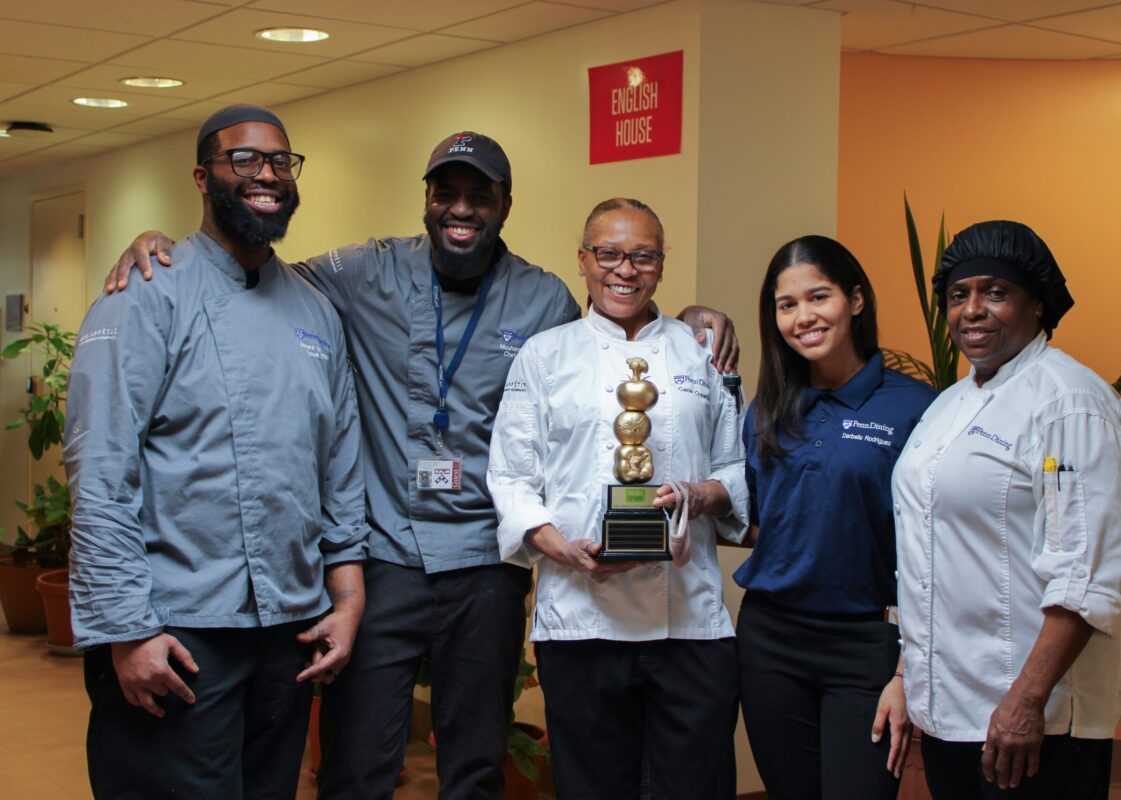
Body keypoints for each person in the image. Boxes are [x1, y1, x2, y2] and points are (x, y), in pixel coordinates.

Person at [106, 134, 739, 800]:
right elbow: (259, 266)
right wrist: (168, 245)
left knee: (473, 764)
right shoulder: (360, 272)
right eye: (447, 193)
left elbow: (614, 343)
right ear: (428, 200)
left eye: (480, 195)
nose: (461, 209)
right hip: (385, 561)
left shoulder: (542, 297)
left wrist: (693, 321)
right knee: (359, 762)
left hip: (486, 567)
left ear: (505, 205)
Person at [65, 104, 367, 799]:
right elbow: (101, 467)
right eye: (244, 160)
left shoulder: (315, 311)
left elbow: (340, 473)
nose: (266, 175)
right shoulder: (146, 292)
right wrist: (126, 630)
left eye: (280, 162)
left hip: (287, 632)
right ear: (203, 178)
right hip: (175, 632)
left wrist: (345, 601)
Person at [487, 197, 748, 800]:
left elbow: (735, 468)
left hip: (689, 620)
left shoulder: (701, 352)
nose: (624, 270)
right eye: (608, 254)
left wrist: (700, 493)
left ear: (661, 263)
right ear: (583, 259)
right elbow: (511, 476)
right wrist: (561, 548)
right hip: (581, 620)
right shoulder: (544, 356)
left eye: (642, 256)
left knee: (696, 787)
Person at [893, 220, 1121, 799]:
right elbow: (927, 553)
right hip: (951, 704)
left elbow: (1087, 575)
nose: (972, 310)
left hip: (1032, 717)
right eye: (958, 295)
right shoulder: (950, 405)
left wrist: (1026, 700)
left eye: (995, 292)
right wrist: (908, 677)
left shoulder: (1069, 404)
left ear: (1037, 303)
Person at [733, 236, 935, 799]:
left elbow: (932, 548)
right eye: (787, 304)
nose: (803, 317)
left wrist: (904, 670)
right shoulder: (769, 406)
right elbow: (760, 523)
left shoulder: (915, 407)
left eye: (818, 297)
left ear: (856, 300)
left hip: (868, 644)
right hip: (770, 640)